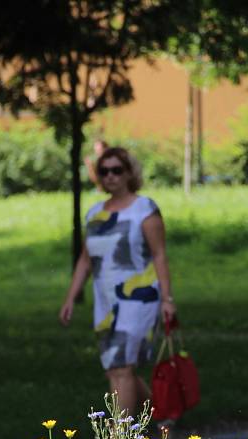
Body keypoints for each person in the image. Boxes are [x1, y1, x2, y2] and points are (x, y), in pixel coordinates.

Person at [59, 146, 176, 416]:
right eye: (104, 171)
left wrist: (168, 300)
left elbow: (159, 255)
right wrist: (70, 298)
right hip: (106, 302)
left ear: (128, 172)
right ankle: (162, 416)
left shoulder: (144, 209)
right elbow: (86, 261)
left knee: (121, 367)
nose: (110, 176)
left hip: (139, 297)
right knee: (115, 368)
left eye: (116, 170)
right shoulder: (95, 214)